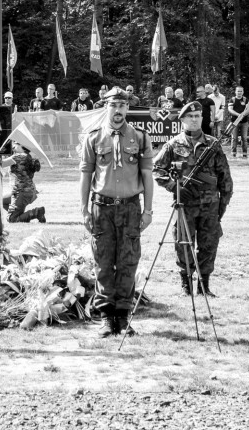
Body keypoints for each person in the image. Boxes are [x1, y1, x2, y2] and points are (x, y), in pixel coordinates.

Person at [79, 86, 154, 337]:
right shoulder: (93, 138)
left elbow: (147, 176)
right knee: (102, 262)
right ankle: (106, 317)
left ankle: (122, 317)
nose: (118, 110)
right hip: (101, 207)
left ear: (128, 109)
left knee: (128, 262)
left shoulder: (141, 138)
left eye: (123, 106)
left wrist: (149, 211)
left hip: (131, 208)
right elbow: (86, 175)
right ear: (106, 107)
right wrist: (84, 210)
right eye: (114, 106)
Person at [152, 101, 233, 296]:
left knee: (209, 244)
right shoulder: (173, 145)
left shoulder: (213, 144)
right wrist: (173, 186)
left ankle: (204, 286)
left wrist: (221, 206)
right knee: (183, 244)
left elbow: (225, 178)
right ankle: (186, 285)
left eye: (197, 116)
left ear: (202, 119)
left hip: (210, 205)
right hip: (184, 205)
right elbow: (157, 169)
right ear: (182, 120)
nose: (194, 120)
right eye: (190, 116)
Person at [1, 141, 46, 223]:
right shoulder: (28, 156)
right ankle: (21, 216)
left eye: (15, 144)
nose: (13, 146)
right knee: (1, 200)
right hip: (27, 191)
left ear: (21, 145)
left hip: (21, 193)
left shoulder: (19, 156)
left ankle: (36, 212)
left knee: (12, 219)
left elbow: (1, 164)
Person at [227, 86, 249, 158]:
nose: (239, 92)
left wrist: (243, 114)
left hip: (244, 122)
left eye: (241, 91)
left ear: (243, 92)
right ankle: (233, 153)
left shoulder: (245, 99)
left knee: (244, 138)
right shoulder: (232, 100)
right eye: (238, 91)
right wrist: (238, 115)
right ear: (235, 92)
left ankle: (245, 154)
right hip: (234, 122)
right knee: (234, 138)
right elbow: (230, 109)